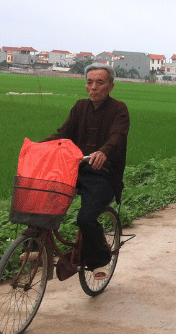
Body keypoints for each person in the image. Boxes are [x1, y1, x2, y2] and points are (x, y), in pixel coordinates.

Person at [41, 63, 130, 275]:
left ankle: (100, 260)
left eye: (100, 83)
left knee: (85, 218)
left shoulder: (119, 109)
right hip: (76, 169)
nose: (94, 87)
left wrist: (103, 152)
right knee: (43, 199)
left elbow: (117, 137)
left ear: (111, 86)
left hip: (104, 175)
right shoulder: (80, 107)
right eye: (89, 82)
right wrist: (39, 146)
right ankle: (35, 244)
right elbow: (63, 134)